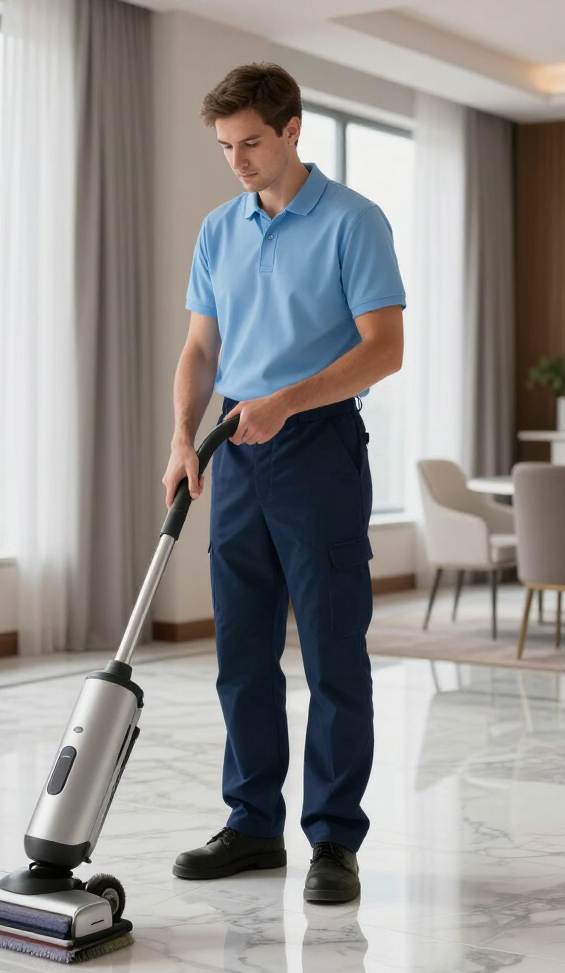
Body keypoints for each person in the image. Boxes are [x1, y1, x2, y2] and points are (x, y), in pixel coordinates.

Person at [163, 63, 405, 904]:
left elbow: (383, 348)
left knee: (334, 650)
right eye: (227, 146)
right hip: (235, 448)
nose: (238, 160)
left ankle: (334, 840)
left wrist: (287, 402)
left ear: (294, 129)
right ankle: (253, 824)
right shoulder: (218, 230)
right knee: (243, 651)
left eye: (252, 142)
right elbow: (201, 349)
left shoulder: (353, 222)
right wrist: (182, 437)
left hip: (318, 444)